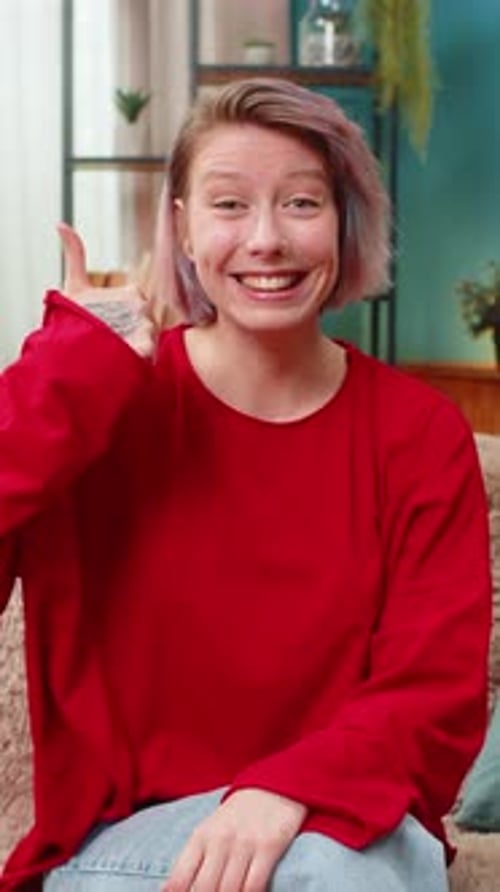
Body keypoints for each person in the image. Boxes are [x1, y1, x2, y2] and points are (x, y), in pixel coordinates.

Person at [0, 77, 492, 892]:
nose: (267, 239)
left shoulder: (419, 434)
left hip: (349, 821)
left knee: (336, 870)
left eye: (302, 203)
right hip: (132, 837)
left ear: (343, 222)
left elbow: (434, 696)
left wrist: (282, 790)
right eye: (229, 206)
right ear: (184, 230)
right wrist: (69, 374)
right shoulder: (103, 403)